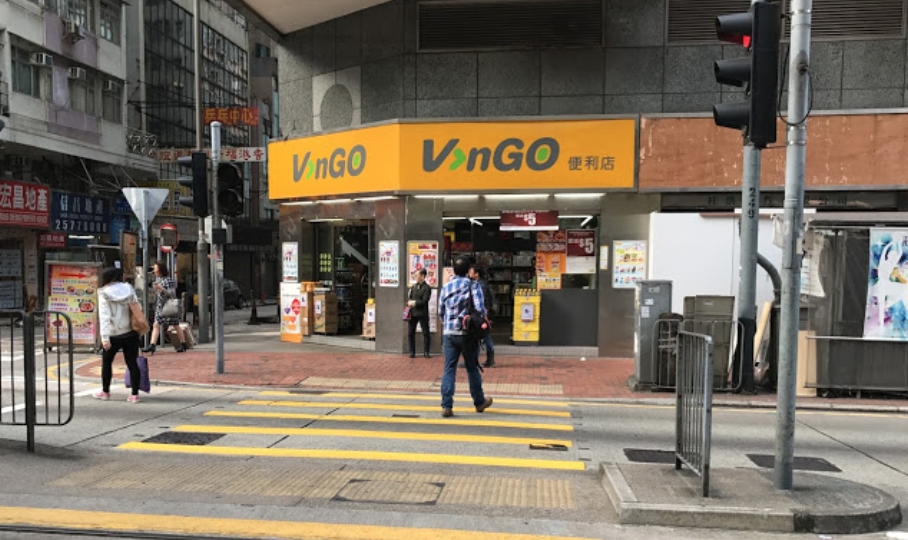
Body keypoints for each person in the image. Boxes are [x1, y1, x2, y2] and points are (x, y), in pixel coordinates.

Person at [438, 256, 493, 418]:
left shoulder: (446, 287)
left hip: (449, 333)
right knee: (471, 368)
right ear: (469, 270)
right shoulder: (473, 285)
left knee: (449, 369)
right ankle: (479, 402)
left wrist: (448, 324)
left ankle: (446, 406)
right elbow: (480, 309)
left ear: (453, 270)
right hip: (467, 334)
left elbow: (441, 311)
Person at [94, 266, 142, 403]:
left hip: (113, 334)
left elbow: (104, 316)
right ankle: (134, 394)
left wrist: (104, 338)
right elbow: (138, 309)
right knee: (132, 363)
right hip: (130, 332)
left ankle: (105, 391)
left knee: (107, 363)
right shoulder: (129, 289)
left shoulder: (103, 293)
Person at [142, 260, 187, 354]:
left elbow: (171, 294)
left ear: (160, 269)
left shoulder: (168, 280)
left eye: (155, 268)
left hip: (168, 305)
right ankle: (152, 345)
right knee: (156, 324)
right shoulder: (158, 280)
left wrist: (161, 289)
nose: (154, 270)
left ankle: (183, 343)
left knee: (175, 324)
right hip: (160, 305)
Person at [469, 265, 495, 368]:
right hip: (482, 314)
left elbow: (484, 302)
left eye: (472, 271)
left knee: (485, 336)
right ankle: (489, 359)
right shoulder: (479, 284)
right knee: (483, 336)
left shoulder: (480, 286)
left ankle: (490, 359)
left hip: (482, 315)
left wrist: (485, 315)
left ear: (477, 274)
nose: (469, 272)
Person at [407, 268, 432, 358]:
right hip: (412, 313)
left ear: (423, 276)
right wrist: (409, 302)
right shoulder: (413, 287)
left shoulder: (427, 288)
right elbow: (410, 297)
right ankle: (412, 352)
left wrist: (415, 303)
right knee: (410, 333)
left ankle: (426, 352)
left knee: (425, 332)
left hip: (422, 313)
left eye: (417, 275)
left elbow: (425, 300)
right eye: (415, 275)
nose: (416, 277)